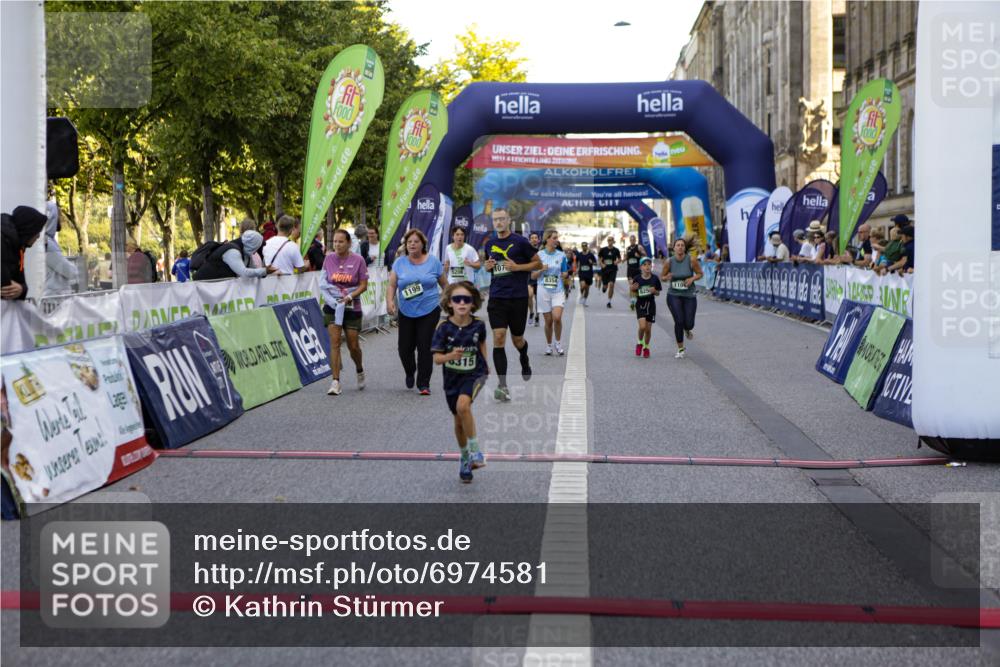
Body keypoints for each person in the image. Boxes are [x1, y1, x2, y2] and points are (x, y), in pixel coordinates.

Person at [431, 281, 490, 483]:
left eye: (467, 299)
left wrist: (487, 365)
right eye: (457, 299)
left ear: (473, 303)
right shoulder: (444, 328)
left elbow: (481, 342)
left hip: (475, 374)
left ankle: (475, 452)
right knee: (458, 420)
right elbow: (437, 359)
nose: (462, 303)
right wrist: (451, 356)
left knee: (463, 406)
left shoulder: (479, 324)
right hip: (452, 377)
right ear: (449, 303)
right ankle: (465, 457)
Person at [483, 208, 543, 402]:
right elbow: (490, 265)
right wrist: (487, 267)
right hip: (497, 297)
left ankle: (524, 357)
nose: (499, 222)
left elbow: (538, 264)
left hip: (517, 298)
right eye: (495, 220)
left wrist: (518, 267)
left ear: (508, 220)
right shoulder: (490, 244)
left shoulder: (521, 242)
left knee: (518, 340)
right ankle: (502, 385)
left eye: (502, 219)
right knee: (499, 338)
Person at [387, 229, 447, 395]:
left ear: (423, 244)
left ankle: (424, 383)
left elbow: (445, 285)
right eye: (409, 242)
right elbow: (392, 285)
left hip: (429, 309)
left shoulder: (433, 262)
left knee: (425, 346)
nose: (412, 244)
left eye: (415, 241)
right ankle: (409, 370)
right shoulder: (400, 263)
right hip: (406, 310)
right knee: (404, 348)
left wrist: (449, 302)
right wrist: (390, 301)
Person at [320, 229, 369, 396]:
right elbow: (323, 282)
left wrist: (350, 296)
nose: (337, 245)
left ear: (348, 243)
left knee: (353, 346)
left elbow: (364, 285)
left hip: (351, 306)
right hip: (332, 306)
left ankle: (359, 368)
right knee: (334, 343)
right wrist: (330, 298)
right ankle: (335, 382)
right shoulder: (328, 259)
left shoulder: (358, 260)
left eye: (340, 242)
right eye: (334, 242)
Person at [661, 238, 703, 359]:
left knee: (689, 323)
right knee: (679, 321)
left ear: (684, 248)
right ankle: (680, 349)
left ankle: (687, 329)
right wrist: (666, 277)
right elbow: (662, 277)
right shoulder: (669, 262)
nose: (680, 247)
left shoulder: (691, 260)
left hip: (689, 294)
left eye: (682, 245)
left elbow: (700, 274)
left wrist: (691, 279)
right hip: (673, 294)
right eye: (677, 245)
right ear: (673, 248)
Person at [532, 229, 569, 356]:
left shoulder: (561, 255)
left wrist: (565, 274)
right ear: (547, 239)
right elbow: (533, 276)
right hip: (543, 291)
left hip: (557, 290)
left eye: (557, 238)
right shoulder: (539, 255)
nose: (556, 240)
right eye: (554, 238)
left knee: (557, 318)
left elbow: (565, 272)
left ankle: (558, 343)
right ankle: (548, 345)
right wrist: (541, 269)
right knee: (548, 321)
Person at [0, 205, 46, 300]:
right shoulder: (4, 242)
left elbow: (19, 281)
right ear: (28, 229)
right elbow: (5, 286)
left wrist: (21, 289)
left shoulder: (19, 248)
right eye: (37, 231)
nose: (38, 237)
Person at [192, 230, 273, 280]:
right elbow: (244, 273)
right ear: (251, 246)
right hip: (203, 286)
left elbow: (254, 269)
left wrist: (265, 273)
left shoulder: (245, 253)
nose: (255, 252)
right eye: (256, 248)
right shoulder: (232, 251)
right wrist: (265, 271)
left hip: (214, 287)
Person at [44, 201, 78, 295]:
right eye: (58, 215)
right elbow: (68, 271)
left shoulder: (47, 241)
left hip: (52, 296)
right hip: (53, 299)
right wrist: (76, 269)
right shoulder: (46, 243)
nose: (60, 218)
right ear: (52, 217)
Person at [630, 257, 662, 358]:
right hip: (640, 305)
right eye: (645, 265)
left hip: (651, 305)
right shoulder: (637, 278)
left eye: (649, 264)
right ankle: (639, 343)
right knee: (642, 327)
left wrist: (654, 291)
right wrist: (632, 289)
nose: (647, 266)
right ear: (641, 267)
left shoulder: (655, 278)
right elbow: (632, 291)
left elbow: (658, 293)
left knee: (648, 330)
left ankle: (646, 347)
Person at [598, 236, 622, 308]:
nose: (610, 241)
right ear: (607, 241)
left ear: (613, 241)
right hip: (605, 270)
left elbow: (620, 259)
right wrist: (602, 264)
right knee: (605, 286)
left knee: (611, 284)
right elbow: (599, 258)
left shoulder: (616, 250)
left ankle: (609, 301)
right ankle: (604, 287)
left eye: (611, 240)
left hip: (613, 269)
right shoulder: (603, 250)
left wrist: (617, 262)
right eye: (608, 240)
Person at [624, 234, 646, 310]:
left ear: (635, 240)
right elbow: (626, 257)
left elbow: (645, 255)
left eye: (633, 240)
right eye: (631, 240)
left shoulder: (639, 247)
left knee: (637, 286)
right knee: (631, 285)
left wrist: (639, 256)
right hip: (630, 270)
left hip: (637, 269)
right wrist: (623, 259)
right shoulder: (628, 248)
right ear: (630, 240)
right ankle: (632, 302)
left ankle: (636, 299)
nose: (632, 241)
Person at [574, 241, 597, 306]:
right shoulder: (579, 255)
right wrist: (576, 269)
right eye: (583, 246)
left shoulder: (590, 255)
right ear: (582, 247)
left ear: (587, 247)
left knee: (587, 289)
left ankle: (584, 300)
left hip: (589, 273)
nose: (584, 247)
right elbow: (576, 262)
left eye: (585, 246)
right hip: (582, 273)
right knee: (583, 285)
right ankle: (581, 295)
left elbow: (595, 263)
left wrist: (591, 262)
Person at [526, 231, 541, 327]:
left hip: (539, 277)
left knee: (538, 299)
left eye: (536, 237)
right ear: (529, 240)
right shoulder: (526, 250)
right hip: (528, 277)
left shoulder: (542, 251)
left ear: (538, 240)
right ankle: (531, 312)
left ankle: (537, 316)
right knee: (529, 295)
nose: (534, 239)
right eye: (532, 238)